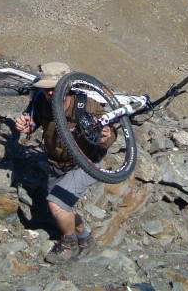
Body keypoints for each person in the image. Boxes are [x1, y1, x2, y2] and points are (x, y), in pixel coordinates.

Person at [15, 62, 116, 264]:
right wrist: (26, 127)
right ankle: (86, 240)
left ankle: (67, 245)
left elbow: (109, 132)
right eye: (46, 88)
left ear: (68, 85)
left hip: (84, 163)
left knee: (56, 204)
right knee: (63, 207)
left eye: (55, 88)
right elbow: (33, 122)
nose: (51, 93)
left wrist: (106, 136)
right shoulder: (40, 101)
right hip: (55, 164)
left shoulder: (86, 104)